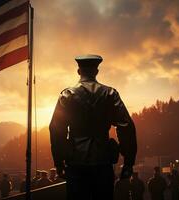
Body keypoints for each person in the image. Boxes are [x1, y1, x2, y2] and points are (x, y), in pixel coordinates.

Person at [50, 55, 137, 200]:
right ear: (96, 71)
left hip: (76, 161)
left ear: (79, 71)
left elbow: (57, 129)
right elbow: (126, 126)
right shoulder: (110, 94)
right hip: (103, 159)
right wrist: (128, 161)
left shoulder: (67, 94)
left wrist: (59, 162)